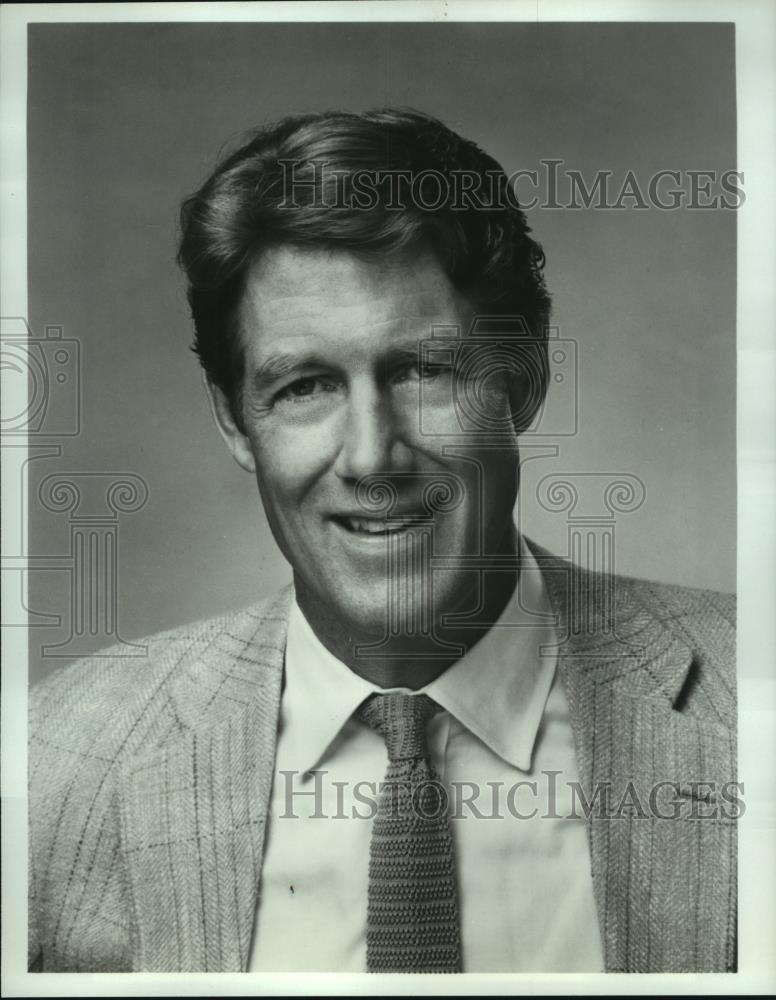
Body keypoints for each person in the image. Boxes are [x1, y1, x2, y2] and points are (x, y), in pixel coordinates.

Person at [28, 109, 737, 974]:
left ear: (524, 379)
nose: (371, 457)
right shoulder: (56, 763)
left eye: (422, 370)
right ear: (236, 421)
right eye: (305, 386)